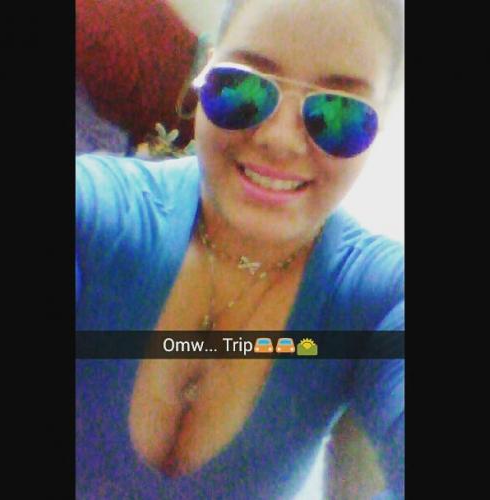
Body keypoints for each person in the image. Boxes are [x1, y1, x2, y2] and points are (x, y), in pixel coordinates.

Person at [75, 0, 404, 498]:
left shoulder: (378, 293)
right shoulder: (102, 212)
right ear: (204, 75)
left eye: (339, 112)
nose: (280, 141)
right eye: (244, 87)